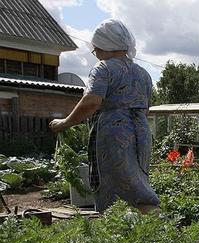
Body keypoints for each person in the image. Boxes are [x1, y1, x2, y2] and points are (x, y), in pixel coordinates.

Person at [50, 19, 159, 214]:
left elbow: (92, 102)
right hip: (141, 132)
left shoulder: (104, 68)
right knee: (137, 181)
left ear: (106, 45)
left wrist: (64, 123)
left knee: (115, 186)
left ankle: (130, 230)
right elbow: (146, 109)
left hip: (115, 133)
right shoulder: (143, 74)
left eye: (96, 49)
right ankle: (145, 233)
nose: (97, 54)